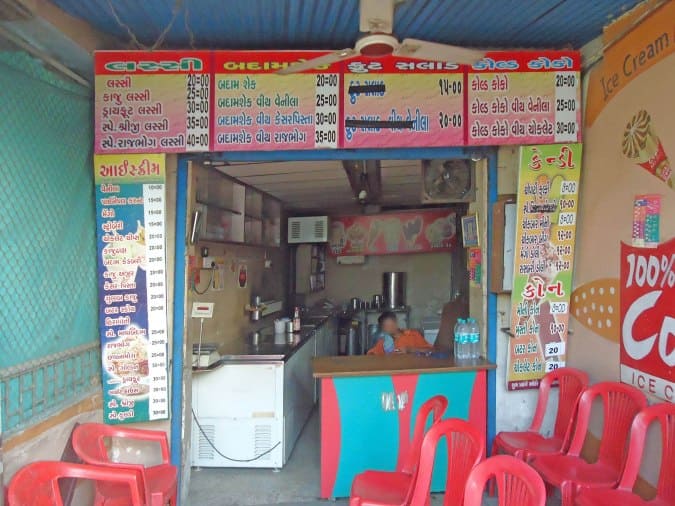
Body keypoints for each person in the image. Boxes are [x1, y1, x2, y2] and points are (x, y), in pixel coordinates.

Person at [367, 311, 433, 355]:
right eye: (387, 326)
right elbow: (371, 355)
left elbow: (431, 351)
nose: (391, 328)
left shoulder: (413, 335)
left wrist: (410, 350)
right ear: (383, 329)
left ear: (396, 322)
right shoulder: (383, 342)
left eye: (392, 325)